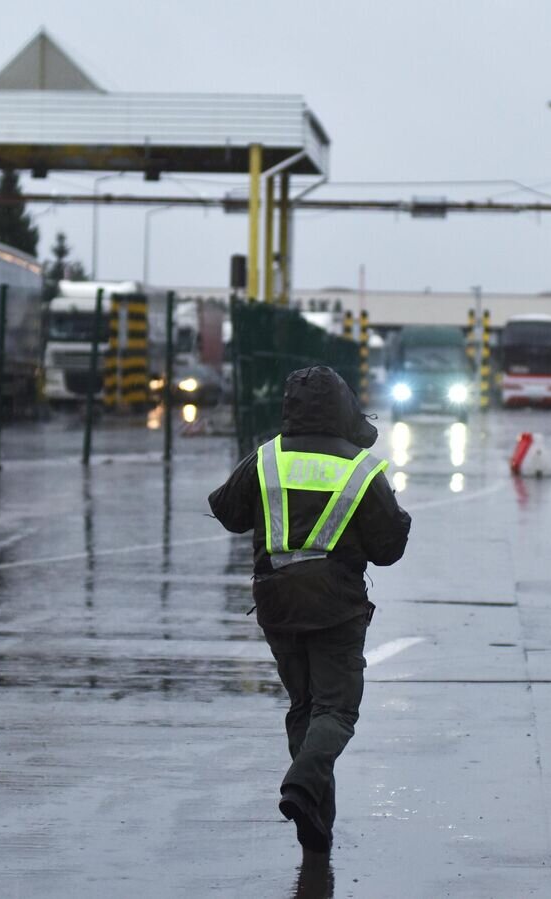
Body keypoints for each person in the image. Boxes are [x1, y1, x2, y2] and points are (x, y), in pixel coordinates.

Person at [208, 365, 411, 854]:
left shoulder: (267, 459)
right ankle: (301, 787)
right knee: (337, 709)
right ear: (343, 407)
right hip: (336, 606)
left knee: (305, 707)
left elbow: (227, 511)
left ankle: (316, 822)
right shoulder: (360, 468)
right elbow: (388, 548)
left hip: (275, 601)